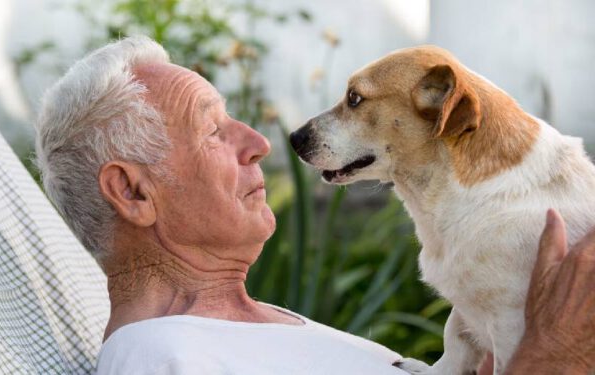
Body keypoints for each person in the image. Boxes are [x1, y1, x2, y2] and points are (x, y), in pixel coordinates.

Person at [34, 36, 595, 374]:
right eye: (213, 131)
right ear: (132, 192)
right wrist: (554, 359)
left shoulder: (257, 333)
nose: (257, 142)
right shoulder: (160, 355)